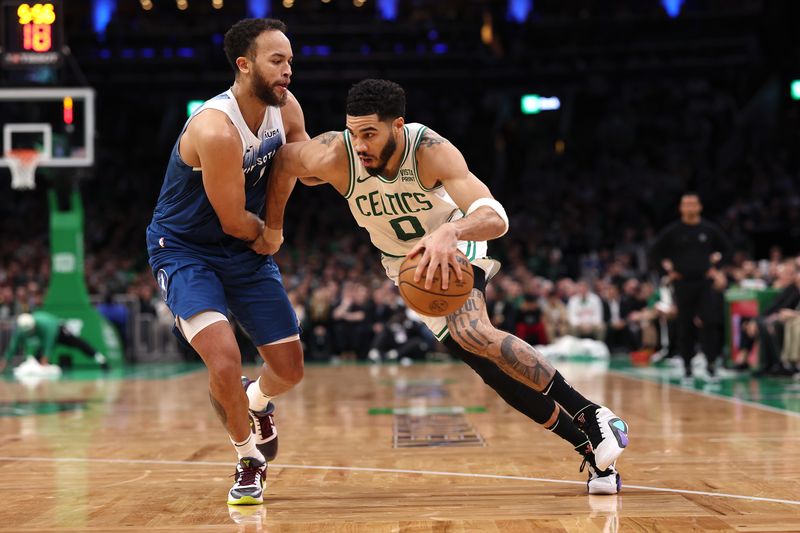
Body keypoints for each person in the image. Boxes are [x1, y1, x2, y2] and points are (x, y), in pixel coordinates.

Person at [257, 79, 630, 494]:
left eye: (369, 133)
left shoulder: (429, 151)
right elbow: (286, 161)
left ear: (397, 126)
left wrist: (451, 232)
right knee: (492, 370)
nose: (359, 144)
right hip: (407, 266)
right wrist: (273, 227)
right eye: (353, 132)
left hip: (455, 241)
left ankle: (594, 414)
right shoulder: (337, 155)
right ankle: (592, 448)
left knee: (473, 331)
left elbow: (494, 215)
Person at [146, 18, 310, 505]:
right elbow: (234, 218)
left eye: (290, 62)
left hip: (242, 249)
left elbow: (299, 165)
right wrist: (270, 234)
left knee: (291, 369)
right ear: (244, 65)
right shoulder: (216, 129)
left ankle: (255, 399)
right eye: (276, 61)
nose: (287, 72)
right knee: (223, 358)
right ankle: (248, 459)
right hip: (185, 250)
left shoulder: (287, 108)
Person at [650, 193, 733, 382]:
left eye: (693, 204)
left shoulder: (709, 229)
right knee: (684, 324)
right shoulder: (673, 231)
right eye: (686, 204)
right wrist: (667, 272)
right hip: (682, 283)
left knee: (709, 322)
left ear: (699, 207)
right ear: (681, 208)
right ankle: (687, 366)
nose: (689, 207)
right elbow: (654, 253)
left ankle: (711, 365)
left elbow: (727, 249)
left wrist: (716, 268)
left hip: (705, 283)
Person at [1, 311, 107, 373]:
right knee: (36, 360)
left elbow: (49, 343)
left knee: (78, 343)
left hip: (58, 329)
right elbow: (13, 345)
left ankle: (100, 358)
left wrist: (45, 360)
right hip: (45, 338)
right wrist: (4, 362)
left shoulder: (46, 325)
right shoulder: (22, 329)